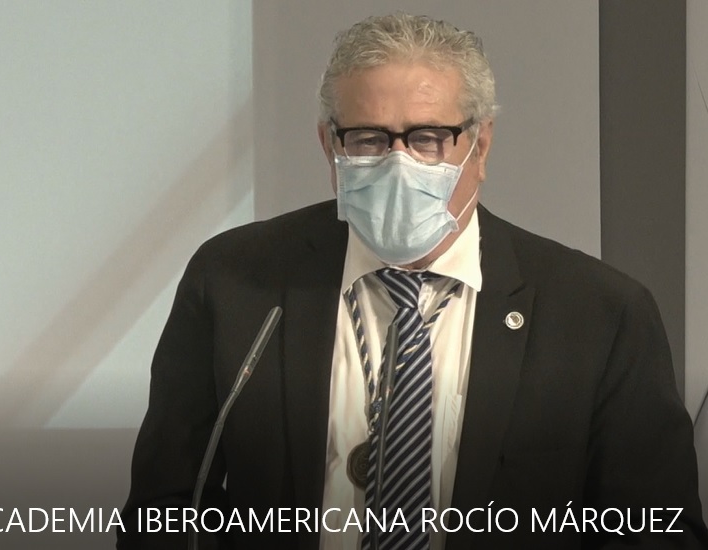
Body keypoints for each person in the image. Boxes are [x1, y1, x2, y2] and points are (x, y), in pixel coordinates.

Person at [117, 13, 707, 550]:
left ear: (480, 145)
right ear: (329, 145)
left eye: (427, 138)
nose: (398, 163)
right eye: (368, 139)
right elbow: (161, 513)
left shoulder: (599, 314)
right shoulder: (235, 282)